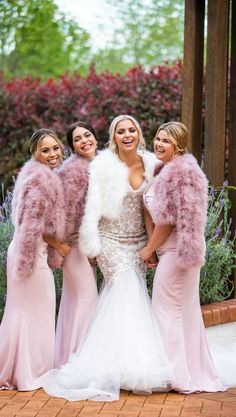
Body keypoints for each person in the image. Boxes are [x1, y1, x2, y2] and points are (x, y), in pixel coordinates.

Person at [39, 115, 174, 401]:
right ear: (113, 137)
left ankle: (122, 360)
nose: (127, 135)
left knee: (127, 298)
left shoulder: (152, 164)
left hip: (137, 241)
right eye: (120, 131)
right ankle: (132, 367)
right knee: (128, 291)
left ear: (139, 133)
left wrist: (151, 247)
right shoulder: (103, 165)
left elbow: (148, 210)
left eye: (131, 130)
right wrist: (93, 247)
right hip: (110, 242)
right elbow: (92, 210)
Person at [140, 121, 224, 393]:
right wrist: (155, 248)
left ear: (178, 144)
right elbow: (152, 213)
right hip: (168, 252)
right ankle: (186, 371)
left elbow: (167, 221)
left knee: (167, 312)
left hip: (179, 253)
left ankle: (175, 375)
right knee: (181, 312)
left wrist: (149, 249)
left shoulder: (181, 173)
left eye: (165, 140)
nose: (159, 144)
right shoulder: (162, 170)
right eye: (157, 139)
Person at [0, 128, 68, 391]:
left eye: (56, 148)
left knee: (21, 312)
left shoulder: (33, 175)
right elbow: (32, 225)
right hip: (29, 253)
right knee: (34, 311)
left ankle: (16, 369)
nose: (53, 154)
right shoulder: (41, 181)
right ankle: (29, 372)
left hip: (23, 250)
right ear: (35, 153)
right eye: (45, 150)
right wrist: (59, 245)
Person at [53, 122, 98, 367]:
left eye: (87, 135)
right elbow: (67, 214)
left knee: (75, 300)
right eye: (78, 139)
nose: (84, 141)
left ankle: (67, 359)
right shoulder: (74, 171)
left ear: (96, 138)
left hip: (86, 245)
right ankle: (79, 361)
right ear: (72, 147)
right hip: (74, 245)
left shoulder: (100, 164)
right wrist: (79, 245)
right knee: (87, 297)